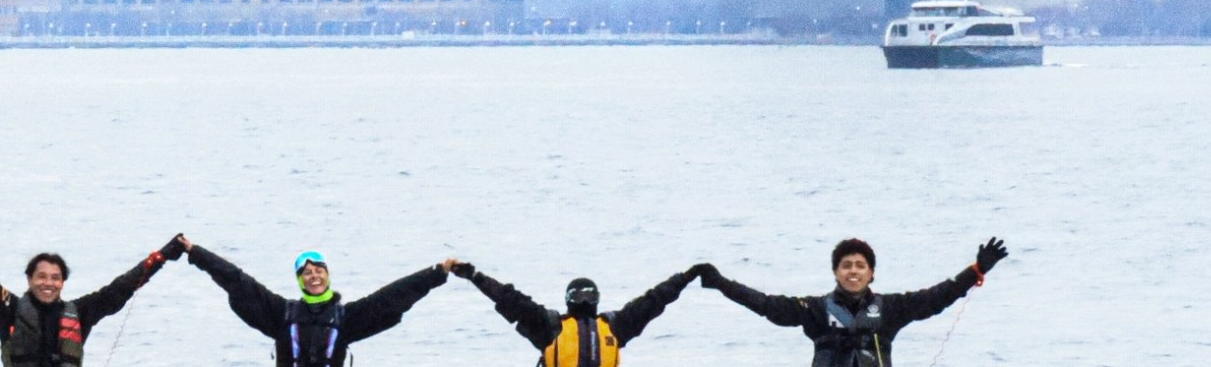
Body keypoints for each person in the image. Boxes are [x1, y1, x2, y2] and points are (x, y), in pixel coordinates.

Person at [0, 206, 185, 365]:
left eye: (55, 277)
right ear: (29, 279)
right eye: (42, 276)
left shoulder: (81, 312)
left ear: (62, 283)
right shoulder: (9, 308)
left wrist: (162, 256)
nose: (48, 283)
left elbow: (122, 288)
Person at [694, 236, 1009, 367]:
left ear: (871, 273)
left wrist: (977, 270)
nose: (853, 271)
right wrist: (721, 283)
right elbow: (764, 304)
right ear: (835, 272)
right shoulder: (814, 310)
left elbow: (939, 296)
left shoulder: (892, 309)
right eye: (846, 265)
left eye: (860, 266)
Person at [181, 237, 452, 367]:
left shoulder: (345, 318)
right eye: (306, 273)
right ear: (300, 281)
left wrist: (435, 274)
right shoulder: (282, 314)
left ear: (327, 275)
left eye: (318, 271)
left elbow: (391, 297)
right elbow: (238, 281)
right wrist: (197, 253)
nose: (313, 276)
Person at [445, 259, 701, 366]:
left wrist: (473, 275)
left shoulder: (550, 326)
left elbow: (509, 299)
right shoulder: (615, 327)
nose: (584, 300)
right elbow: (654, 300)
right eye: (582, 295)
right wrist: (687, 277)